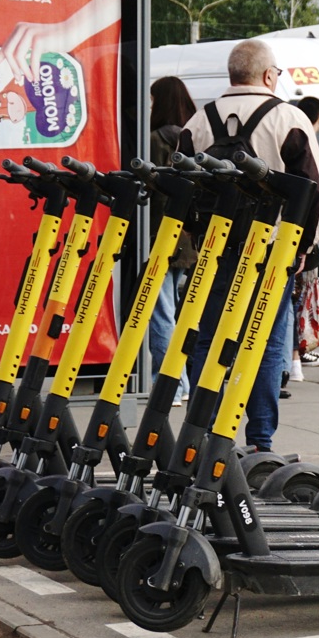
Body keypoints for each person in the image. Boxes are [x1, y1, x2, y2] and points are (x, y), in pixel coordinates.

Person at [180, 40, 319, 453]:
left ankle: (201, 431)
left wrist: (196, 234)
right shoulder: (288, 119)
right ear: (268, 75)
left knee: (208, 338)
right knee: (264, 344)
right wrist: (305, 248)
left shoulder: (198, 121)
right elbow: (314, 190)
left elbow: (183, 188)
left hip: (215, 248)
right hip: (271, 250)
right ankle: (260, 441)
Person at [148, 75, 197, 406]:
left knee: (161, 313)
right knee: (175, 313)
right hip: (189, 240)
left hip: (162, 235)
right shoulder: (193, 138)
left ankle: (172, 385)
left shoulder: (153, 139)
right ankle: (181, 381)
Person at [289, 96, 319, 382]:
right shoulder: (308, 145)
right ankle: (294, 358)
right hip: (302, 238)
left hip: (288, 234)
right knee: (297, 300)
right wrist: (312, 241)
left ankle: (294, 357)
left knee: (293, 300)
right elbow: (318, 194)